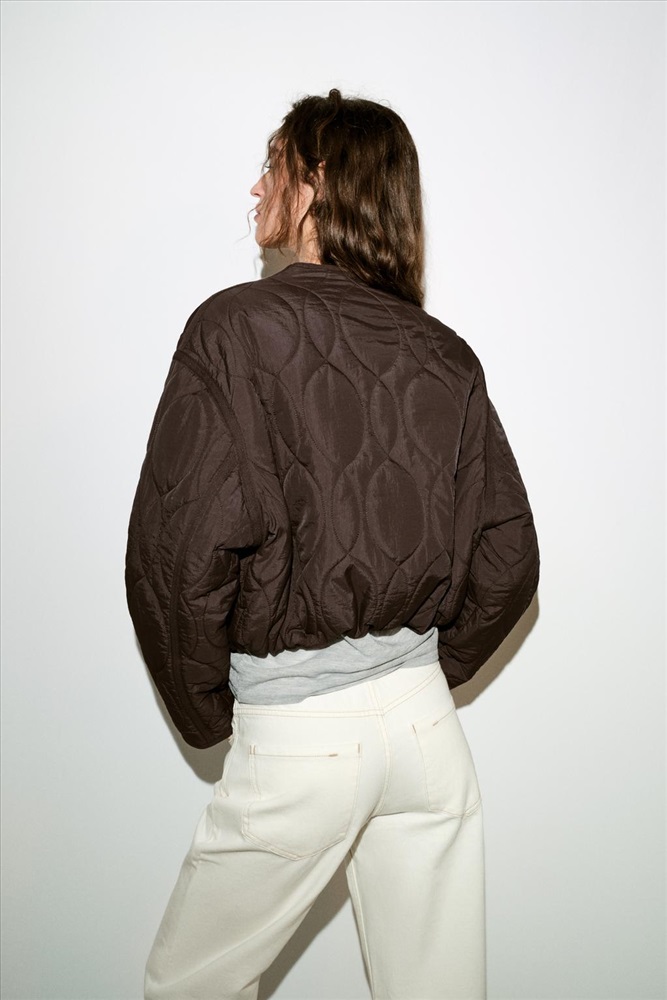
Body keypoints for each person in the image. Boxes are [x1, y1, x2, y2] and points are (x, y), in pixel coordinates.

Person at [125, 88, 540, 1000]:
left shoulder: (233, 329)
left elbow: (176, 557)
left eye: (271, 164)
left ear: (317, 181)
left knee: (186, 988)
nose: (255, 186)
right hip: (426, 738)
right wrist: (419, 674)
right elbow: (509, 555)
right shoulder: (443, 353)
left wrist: (215, 715)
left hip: (302, 737)